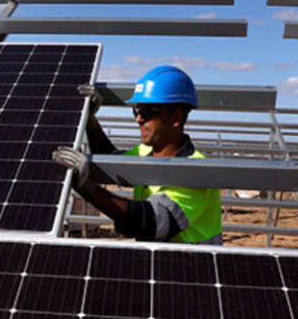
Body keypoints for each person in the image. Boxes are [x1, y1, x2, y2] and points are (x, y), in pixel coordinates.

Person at [52, 65, 222, 245]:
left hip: (193, 266)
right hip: (159, 260)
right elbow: (110, 159)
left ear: (176, 118)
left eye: (148, 112)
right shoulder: (146, 152)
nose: (139, 119)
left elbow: (150, 222)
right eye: (137, 111)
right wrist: (90, 120)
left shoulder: (196, 171)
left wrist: (88, 188)